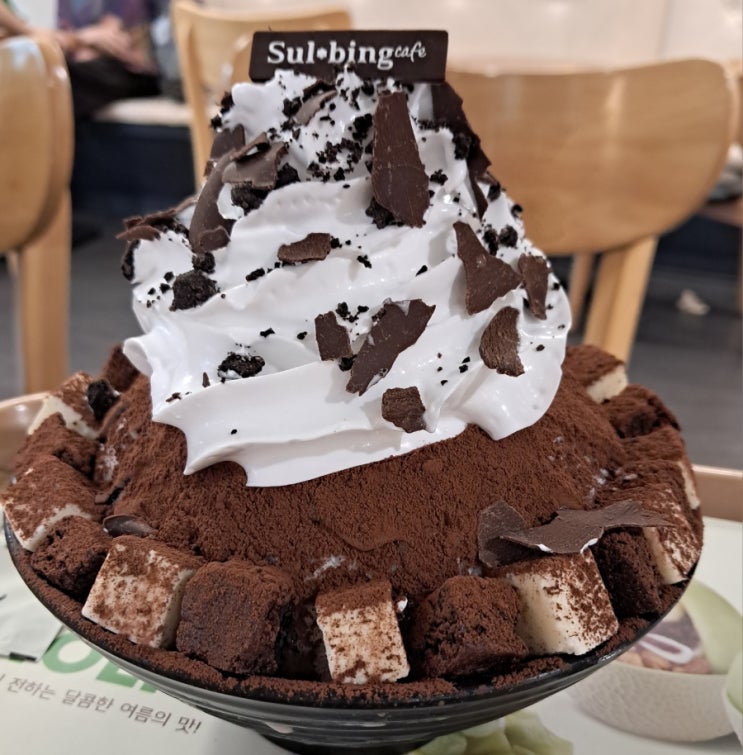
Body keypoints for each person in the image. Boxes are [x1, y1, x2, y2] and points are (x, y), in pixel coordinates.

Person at [0, 0, 160, 119]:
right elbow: (65, 42)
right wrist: (83, 39)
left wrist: (77, 41)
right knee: (40, 78)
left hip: (128, 70)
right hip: (83, 65)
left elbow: (115, 40)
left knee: (53, 82)